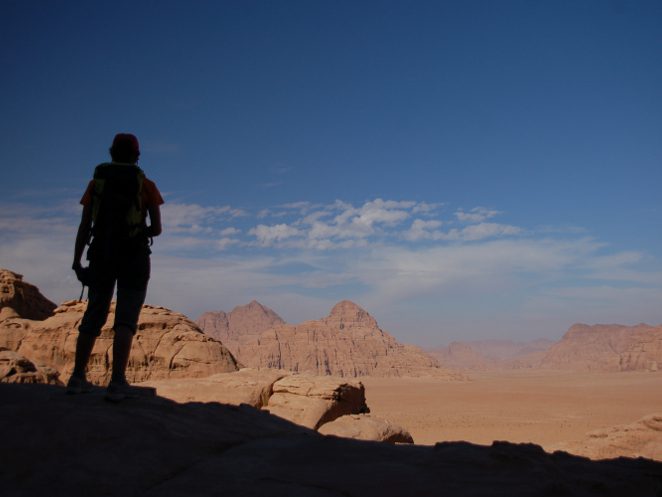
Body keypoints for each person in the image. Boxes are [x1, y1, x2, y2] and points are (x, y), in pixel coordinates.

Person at [68, 133, 164, 401]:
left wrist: (77, 260)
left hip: (101, 253)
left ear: (111, 152)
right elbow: (156, 228)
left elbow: (85, 224)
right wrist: (137, 231)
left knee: (94, 314)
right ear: (137, 156)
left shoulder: (95, 185)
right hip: (134, 256)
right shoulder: (146, 185)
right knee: (125, 318)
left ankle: (77, 377)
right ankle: (118, 381)